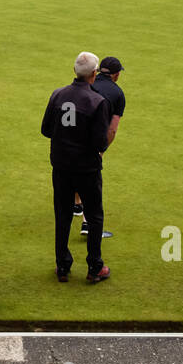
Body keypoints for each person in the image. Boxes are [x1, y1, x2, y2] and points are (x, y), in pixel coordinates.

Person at [41, 51, 111, 283]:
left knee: (62, 215)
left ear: (75, 71)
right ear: (94, 74)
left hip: (61, 166)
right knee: (94, 215)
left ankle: (62, 266)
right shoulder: (97, 102)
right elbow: (100, 141)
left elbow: (46, 130)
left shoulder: (57, 95)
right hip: (87, 169)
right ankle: (94, 267)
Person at [75, 56, 125, 235]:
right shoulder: (118, 94)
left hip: (73, 138)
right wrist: (102, 148)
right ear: (117, 74)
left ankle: (76, 205)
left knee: (76, 170)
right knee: (92, 181)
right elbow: (112, 130)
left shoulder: (86, 84)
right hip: (95, 141)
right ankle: (87, 223)